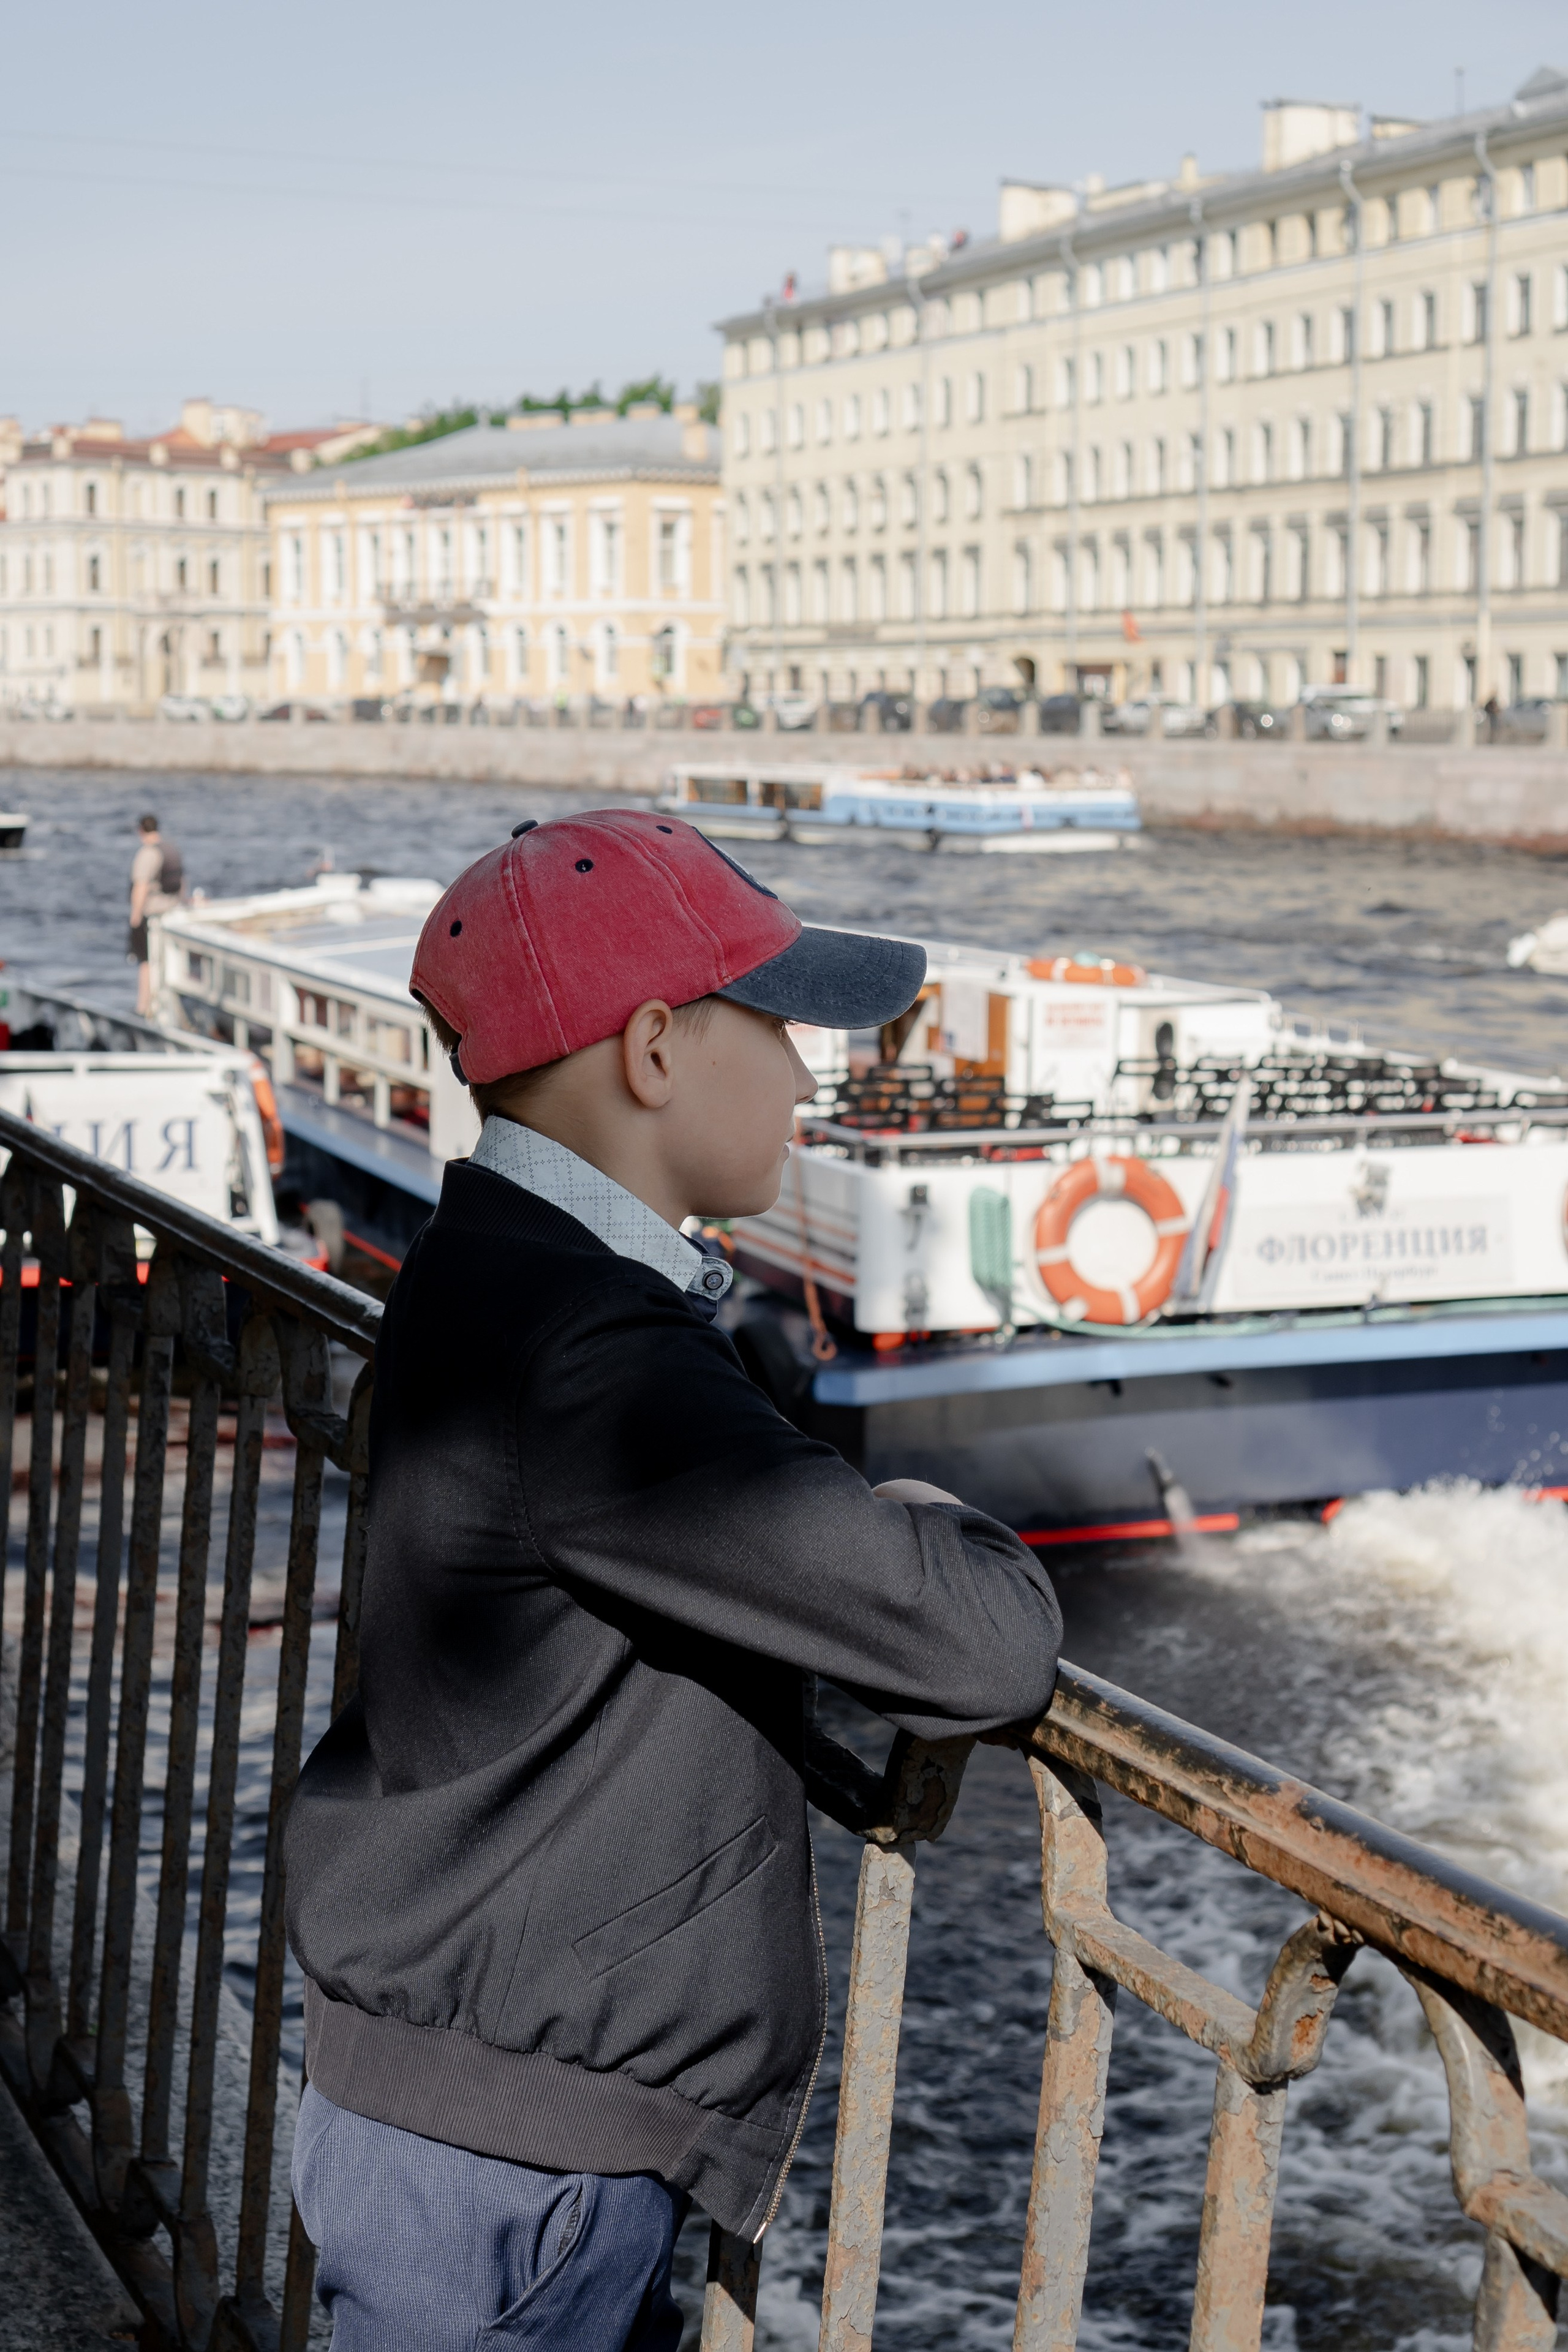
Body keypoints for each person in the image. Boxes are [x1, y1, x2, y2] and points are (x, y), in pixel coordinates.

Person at [284, 809, 1061, 2350]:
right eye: (773, 1022)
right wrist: (913, 1505)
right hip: (521, 2163)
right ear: (651, 1049)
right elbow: (979, 1646)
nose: (804, 1071)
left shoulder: (480, 1267)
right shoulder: (593, 1358)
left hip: (458, 2094)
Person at [127, 812, 184, 1014]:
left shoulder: (148, 853)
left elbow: (141, 886)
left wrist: (135, 916)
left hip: (152, 913)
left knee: (146, 961)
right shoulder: (171, 849)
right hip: (173, 912)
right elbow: (181, 882)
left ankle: (144, 1006)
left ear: (141, 830)